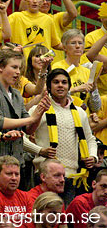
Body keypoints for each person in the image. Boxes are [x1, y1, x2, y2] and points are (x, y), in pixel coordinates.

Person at [27, 68, 97, 201]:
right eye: (56, 82)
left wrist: (93, 156)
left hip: (72, 177)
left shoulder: (79, 113)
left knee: (65, 220)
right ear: (49, 86)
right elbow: (21, 138)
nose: (60, 85)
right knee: (45, 218)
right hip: (45, 176)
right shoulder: (39, 109)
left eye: (64, 82)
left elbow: (90, 139)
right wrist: (40, 151)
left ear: (69, 87)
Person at [0, 49, 49, 175]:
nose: (18, 72)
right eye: (14, 67)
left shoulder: (16, 94)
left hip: (17, 162)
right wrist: (32, 118)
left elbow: (28, 129)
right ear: (0, 67)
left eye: (20, 68)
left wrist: (40, 113)